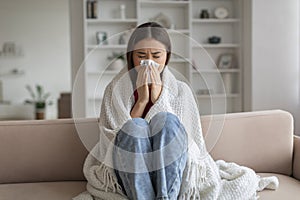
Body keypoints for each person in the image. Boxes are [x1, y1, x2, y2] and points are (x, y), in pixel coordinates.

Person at [75, 22, 279, 200]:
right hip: (129, 171)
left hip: (172, 171)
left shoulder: (181, 90)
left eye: (156, 56)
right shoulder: (114, 89)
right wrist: (143, 100)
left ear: (167, 57)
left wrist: (158, 99)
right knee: (134, 126)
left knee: (167, 121)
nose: (149, 62)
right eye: (141, 56)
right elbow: (113, 141)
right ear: (130, 57)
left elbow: (187, 140)